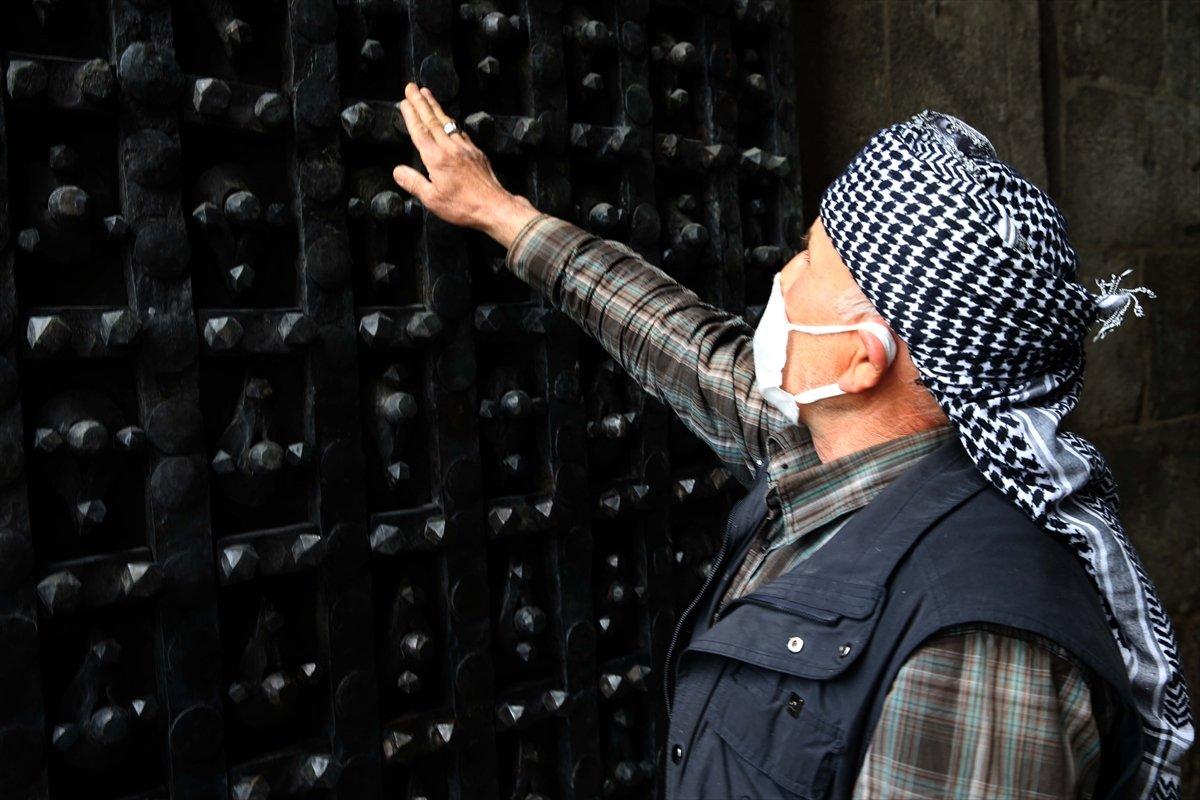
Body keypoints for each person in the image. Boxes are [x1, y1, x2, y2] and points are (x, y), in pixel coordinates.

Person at [391, 82, 1192, 799]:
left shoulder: (974, 649)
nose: (784, 274)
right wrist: (505, 215)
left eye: (812, 257)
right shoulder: (838, 458)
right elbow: (690, 352)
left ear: (862, 358)